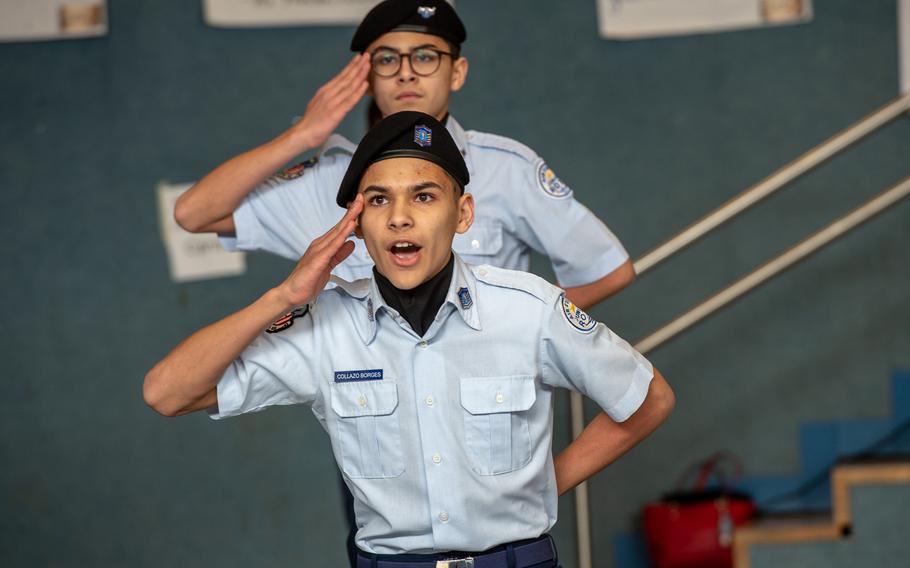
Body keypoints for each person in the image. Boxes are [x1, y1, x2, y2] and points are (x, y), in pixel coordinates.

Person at [145, 112, 675, 567]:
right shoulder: (324, 327)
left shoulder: (527, 309)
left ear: (462, 213)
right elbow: (167, 393)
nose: (400, 217)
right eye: (378, 200)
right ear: (356, 222)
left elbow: (647, 400)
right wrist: (282, 295)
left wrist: (545, 485)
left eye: (424, 196)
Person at [173, 0, 635, 309]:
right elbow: (195, 213)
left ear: (457, 72)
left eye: (426, 56)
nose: (407, 74)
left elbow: (607, 270)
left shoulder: (504, 168)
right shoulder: (328, 178)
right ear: (368, 76)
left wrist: (517, 328)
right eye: (387, 59)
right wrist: (302, 137)